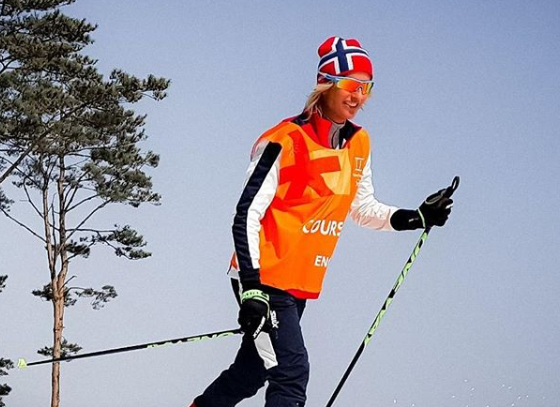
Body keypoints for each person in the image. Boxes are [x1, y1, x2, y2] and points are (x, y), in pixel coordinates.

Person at [188, 36, 453, 407]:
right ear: (325, 84)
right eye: (349, 85)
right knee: (292, 373)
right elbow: (246, 214)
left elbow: (361, 207)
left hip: (299, 281)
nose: (358, 96)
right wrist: (251, 289)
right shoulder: (284, 140)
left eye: (366, 88)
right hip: (264, 275)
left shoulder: (359, 143)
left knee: (251, 373)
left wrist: (415, 217)